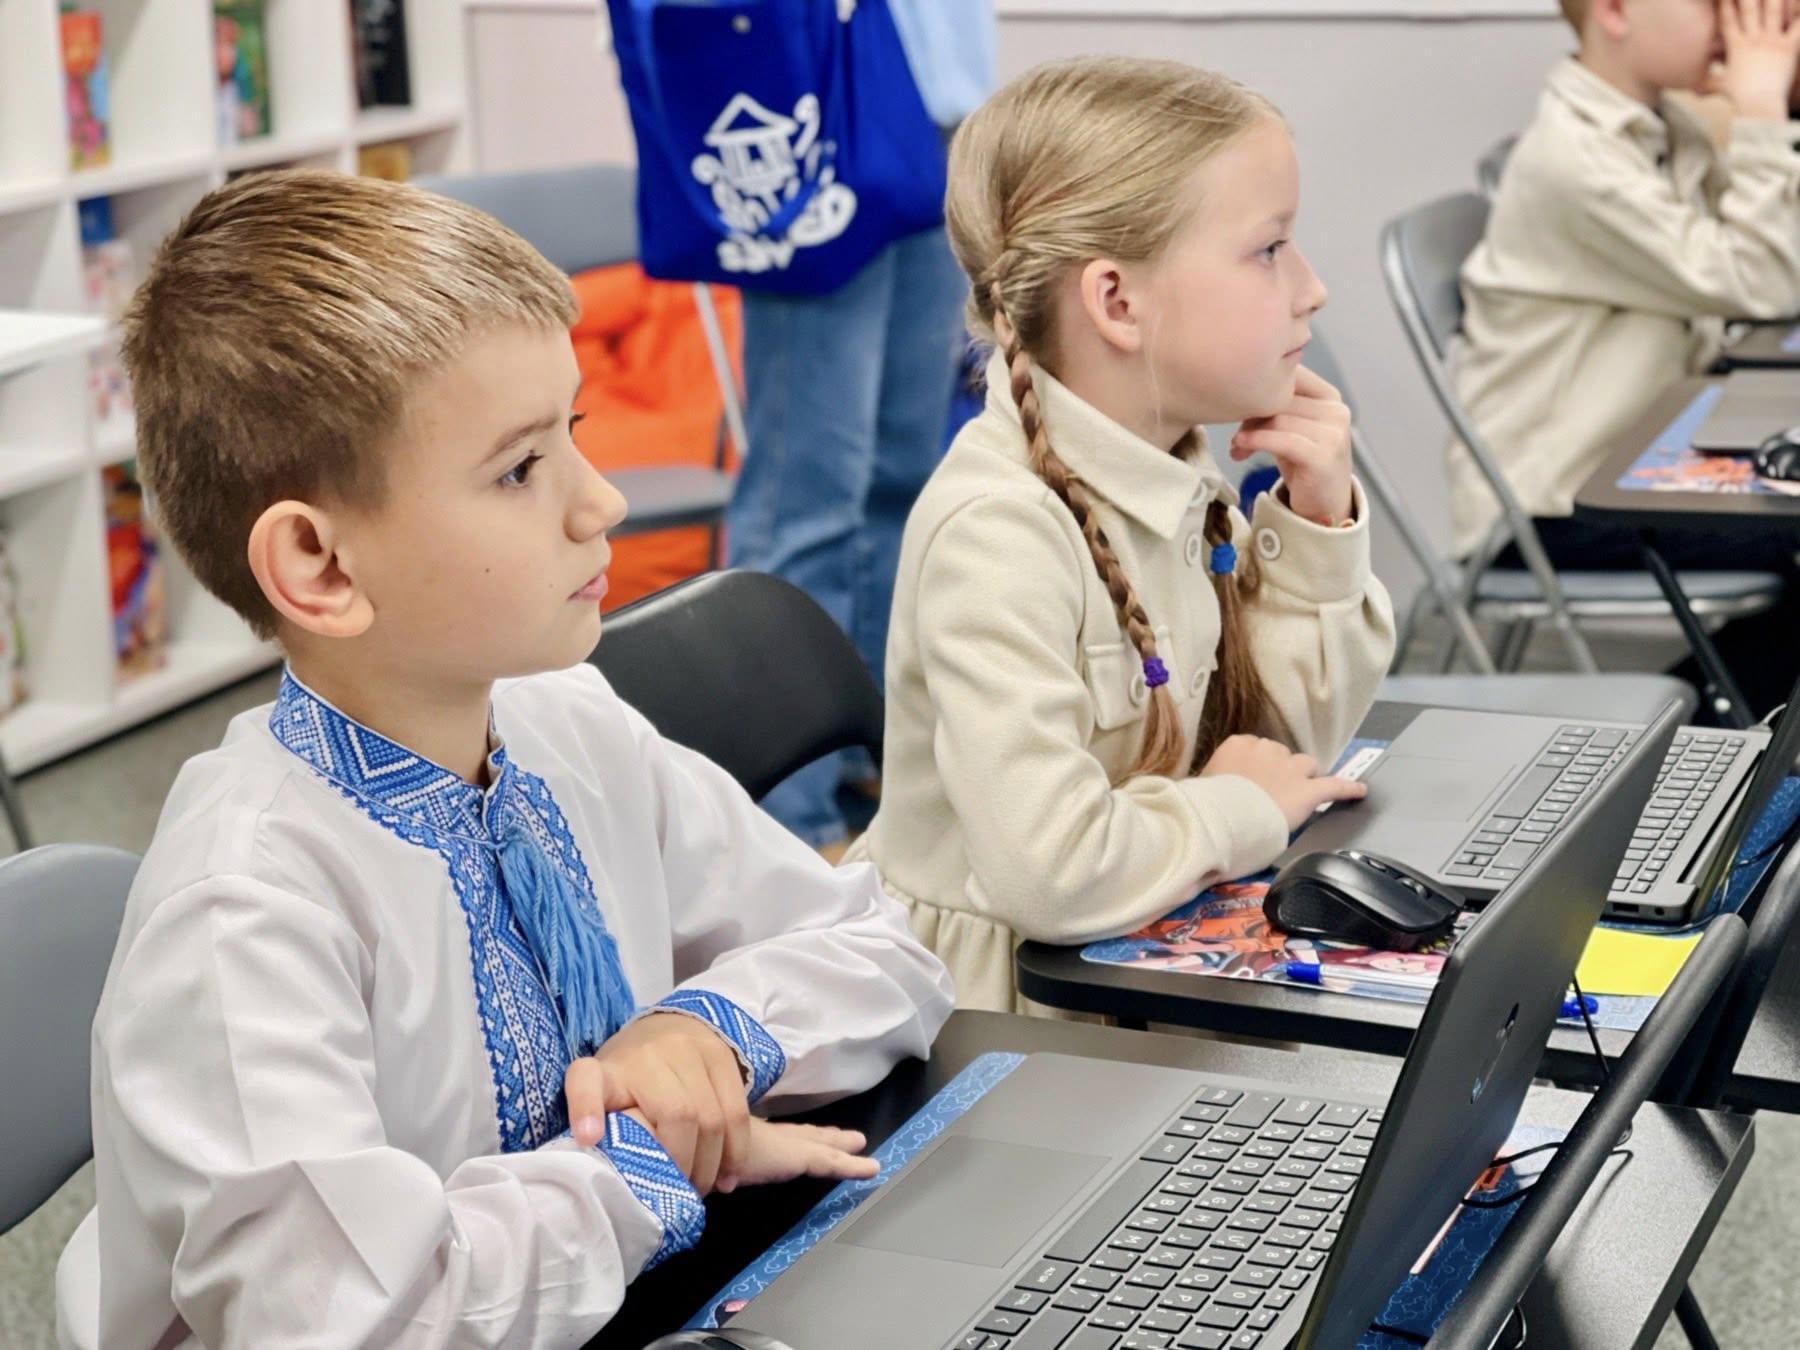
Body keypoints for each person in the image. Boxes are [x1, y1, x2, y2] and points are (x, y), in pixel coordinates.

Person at [53, 170, 953, 1350]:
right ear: (321, 566)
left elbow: (883, 951)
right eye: (521, 469)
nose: (604, 502)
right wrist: (647, 1153)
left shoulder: (562, 721)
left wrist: (703, 1034)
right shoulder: (245, 911)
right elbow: (352, 1324)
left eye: (574, 434)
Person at [850, 57, 1397, 1014]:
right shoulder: (998, 534)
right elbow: (1052, 874)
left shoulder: (1169, 464)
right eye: (1269, 249)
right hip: (1005, 1023)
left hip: (1140, 958)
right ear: (1115, 302)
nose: (1311, 288)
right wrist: (1238, 808)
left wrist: (1316, 528)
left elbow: (1279, 750)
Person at [1451, 0, 1800, 714]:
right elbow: (1763, 283)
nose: (1732, 19)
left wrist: (1782, 99)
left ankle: (1714, 719)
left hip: (1636, 462)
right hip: (1553, 508)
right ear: (1615, 11)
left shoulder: (1664, 128)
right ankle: (1686, 728)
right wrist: (1762, 113)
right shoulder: (1575, 162)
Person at [726, 0, 996, 857]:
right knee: (807, 494)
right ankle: (782, 813)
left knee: (900, 480)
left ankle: (866, 761)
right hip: (811, 98)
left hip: (939, 112)